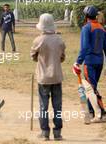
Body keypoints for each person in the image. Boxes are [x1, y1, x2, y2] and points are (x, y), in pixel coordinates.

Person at [73, 5, 106, 123]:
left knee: (91, 89)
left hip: (89, 63)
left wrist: (78, 62)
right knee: (91, 88)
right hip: (99, 63)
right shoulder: (101, 28)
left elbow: (84, 47)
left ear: (85, 16)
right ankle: (90, 113)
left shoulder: (86, 28)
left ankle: (103, 114)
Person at [30, 13, 66, 141]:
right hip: (57, 77)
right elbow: (62, 58)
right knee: (57, 106)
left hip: (43, 78)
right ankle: (57, 133)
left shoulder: (38, 40)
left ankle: (45, 133)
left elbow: (33, 56)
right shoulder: (59, 39)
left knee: (43, 106)